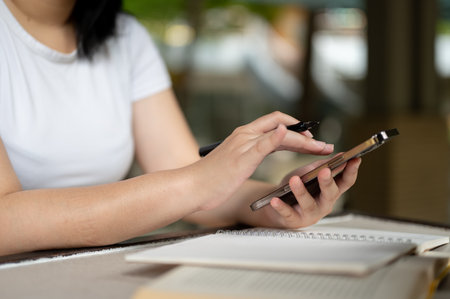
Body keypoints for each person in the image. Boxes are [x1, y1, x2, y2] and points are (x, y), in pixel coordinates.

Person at [0, 0, 361, 256]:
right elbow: (6, 222)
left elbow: (186, 181)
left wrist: (275, 201)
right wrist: (201, 179)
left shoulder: (125, 37)